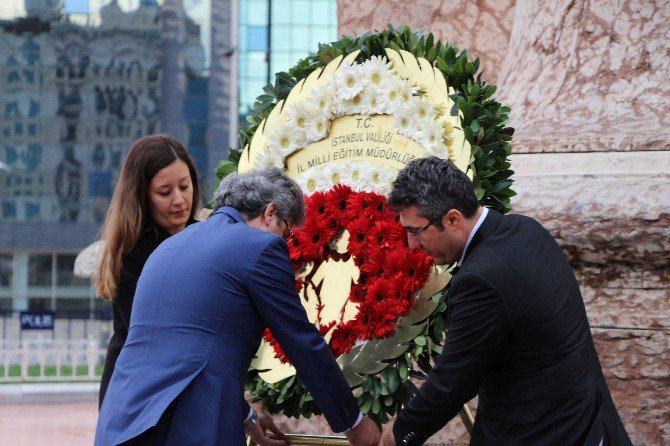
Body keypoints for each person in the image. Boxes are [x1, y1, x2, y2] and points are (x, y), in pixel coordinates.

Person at [95, 167, 381, 446]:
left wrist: (247, 418)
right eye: (286, 233)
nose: (285, 244)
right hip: (190, 425)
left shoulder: (168, 248)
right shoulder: (260, 246)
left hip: (122, 420)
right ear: (270, 213)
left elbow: (188, 350)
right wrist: (352, 423)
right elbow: (301, 342)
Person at [379, 157, 631, 445]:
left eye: (414, 231)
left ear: (452, 219)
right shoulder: (526, 229)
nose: (411, 244)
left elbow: (454, 381)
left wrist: (399, 433)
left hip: (547, 434)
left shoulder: (480, 280)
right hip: (588, 424)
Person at [96, 134, 201, 407]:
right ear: (141, 196)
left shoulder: (203, 236)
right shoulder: (131, 253)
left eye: (185, 186)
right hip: (138, 398)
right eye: (164, 192)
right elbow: (161, 342)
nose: (179, 200)